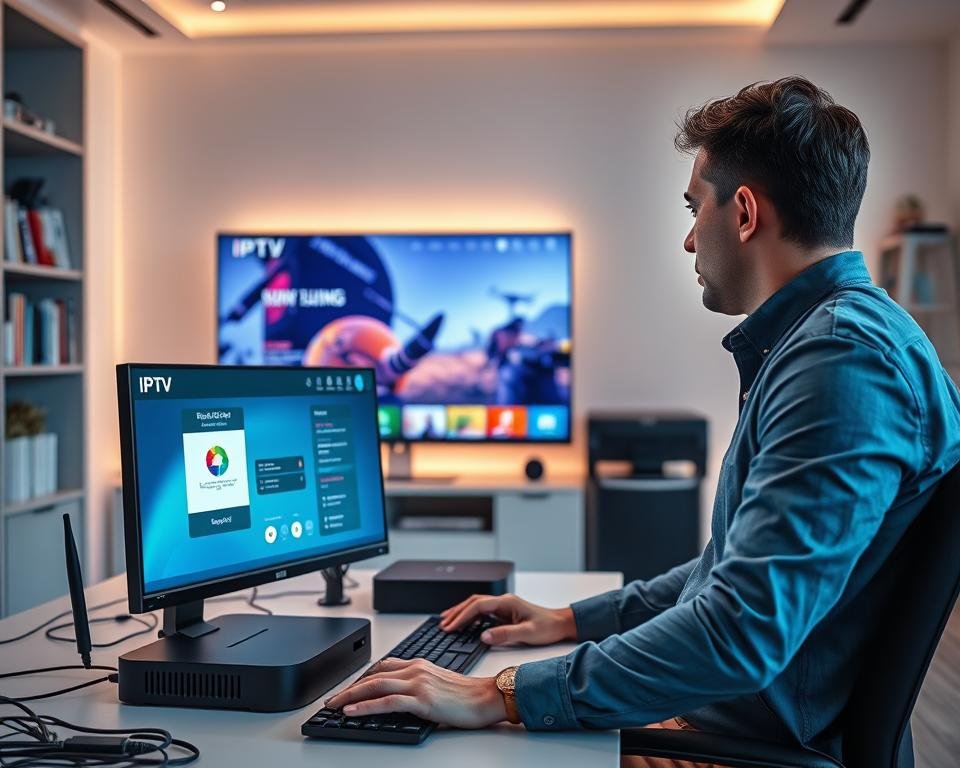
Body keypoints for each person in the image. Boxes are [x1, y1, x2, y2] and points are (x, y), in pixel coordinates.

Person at [325, 76, 960, 766]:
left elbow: (738, 633)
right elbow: (729, 572)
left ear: (744, 212)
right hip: (731, 721)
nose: (690, 240)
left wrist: (496, 696)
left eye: (695, 209)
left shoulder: (841, 362)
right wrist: (570, 620)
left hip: (738, 748)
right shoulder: (830, 343)